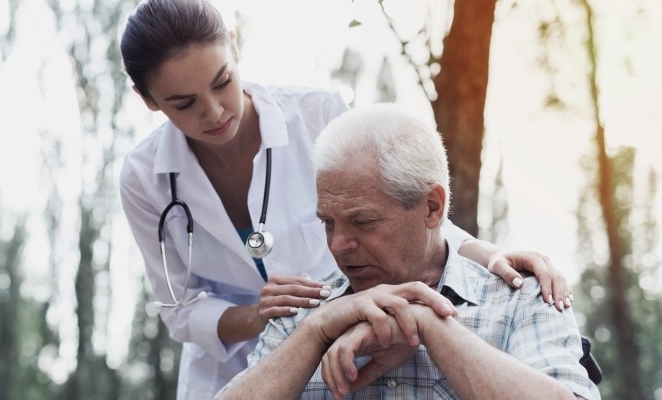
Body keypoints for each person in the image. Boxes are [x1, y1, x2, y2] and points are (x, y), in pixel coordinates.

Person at [118, 0, 572, 398]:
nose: (214, 112)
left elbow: (402, 206)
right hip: (236, 364)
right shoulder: (143, 178)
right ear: (148, 99)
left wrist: (492, 257)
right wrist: (264, 317)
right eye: (184, 103)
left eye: (222, 82)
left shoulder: (317, 115)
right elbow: (179, 309)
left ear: (235, 49)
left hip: (358, 327)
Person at [216, 103, 600, 400]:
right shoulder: (301, 315)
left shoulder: (523, 298)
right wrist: (316, 331)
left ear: (432, 207)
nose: (336, 245)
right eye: (327, 223)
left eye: (362, 222)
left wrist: (427, 321)